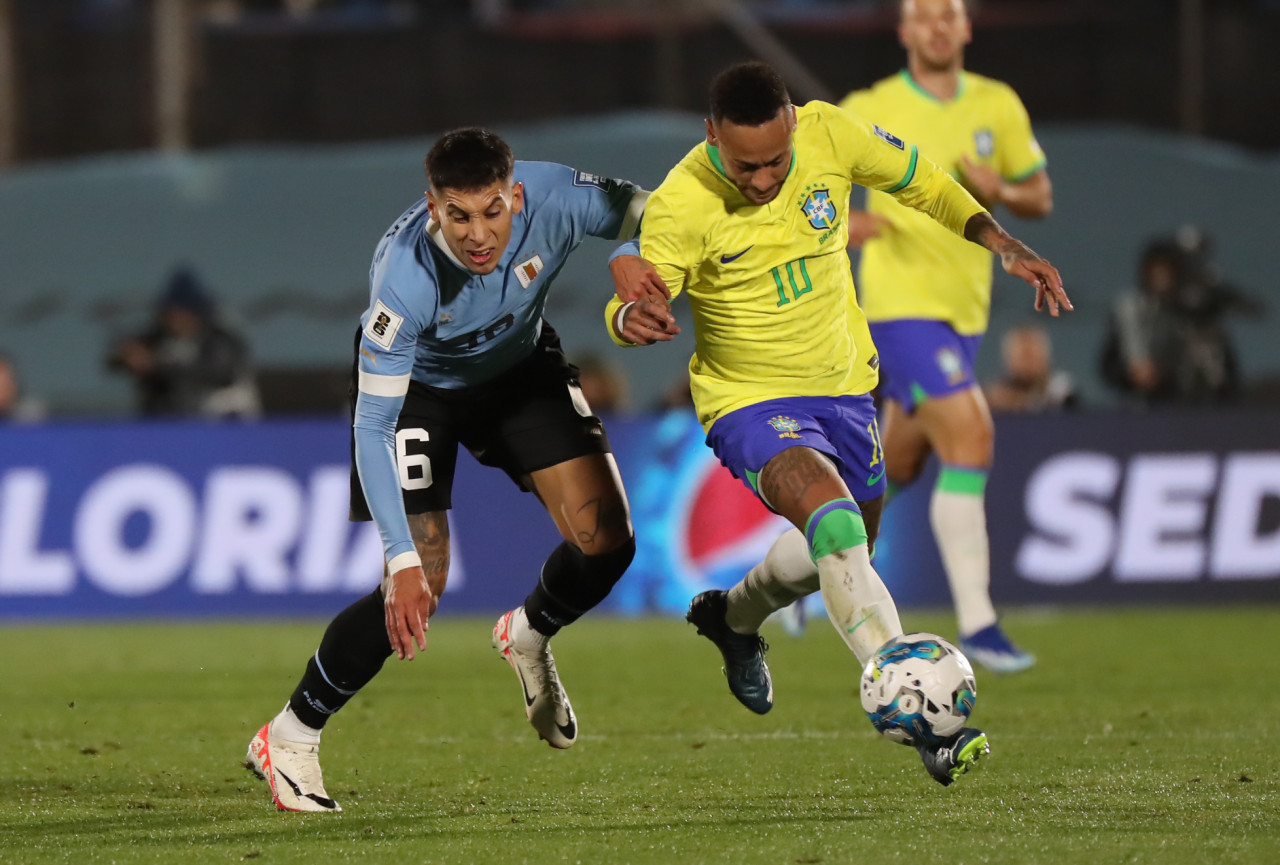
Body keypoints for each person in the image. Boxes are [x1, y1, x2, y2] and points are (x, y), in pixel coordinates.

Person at [607, 61, 1068, 785]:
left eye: (775, 161)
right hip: (749, 400)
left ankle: (732, 616)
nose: (761, 180)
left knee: (842, 545)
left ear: (794, 123)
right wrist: (630, 315)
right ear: (710, 138)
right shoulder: (682, 202)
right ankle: (925, 721)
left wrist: (1001, 241)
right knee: (835, 525)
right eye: (743, 165)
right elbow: (637, 286)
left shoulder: (830, 132)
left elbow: (924, 181)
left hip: (846, 393)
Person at [245, 128, 648, 812]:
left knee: (610, 539)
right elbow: (372, 425)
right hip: (419, 393)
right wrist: (398, 556)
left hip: (521, 369)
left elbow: (656, 210)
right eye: (458, 215)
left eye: (492, 210)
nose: (479, 234)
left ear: (515, 195)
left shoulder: (555, 196)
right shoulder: (403, 280)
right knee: (421, 583)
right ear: (433, 207)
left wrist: (632, 255)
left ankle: (528, 631)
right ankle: (288, 735)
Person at [835, 0, 1054, 672]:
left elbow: (1039, 194)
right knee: (972, 432)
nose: (936, 24)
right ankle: (981, 624)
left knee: (895, 464)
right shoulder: (865, 106)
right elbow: (808, 195)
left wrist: (1004, 193)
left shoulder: (997, 104)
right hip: (899, 310)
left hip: (965, 314)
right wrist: (843, 225)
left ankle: (808, 576)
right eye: (922, 14)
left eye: (948, 13)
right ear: (903, 31)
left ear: (965, 26)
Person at [1101, 230, 1255, 406]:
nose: (1162, 279)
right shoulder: (1130, 314)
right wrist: (1133, 375)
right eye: (1155, 271)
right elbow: (1109, 367)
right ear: (1145, 272)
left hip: (1194, 411)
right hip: (1142, 413)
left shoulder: (1199, 318)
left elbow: (1226, 377)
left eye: (1167, 272)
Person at [106, 267, 261, 419]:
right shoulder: (159, 338)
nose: (176, 319)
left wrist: (157, 366)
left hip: (224, 425)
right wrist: (127, 355)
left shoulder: (220, 340)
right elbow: (116, 361)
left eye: (182, 312)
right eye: (170, 313)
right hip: (168, 425)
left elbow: (218, 374)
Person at [984, 324, 1077, 412]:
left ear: (1045, 356)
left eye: (1032, 355)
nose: (1027, 362)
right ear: (1008, 358)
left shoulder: (1060, 386)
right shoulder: (998, 392)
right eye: (1022, 356)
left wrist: (1020, 401)